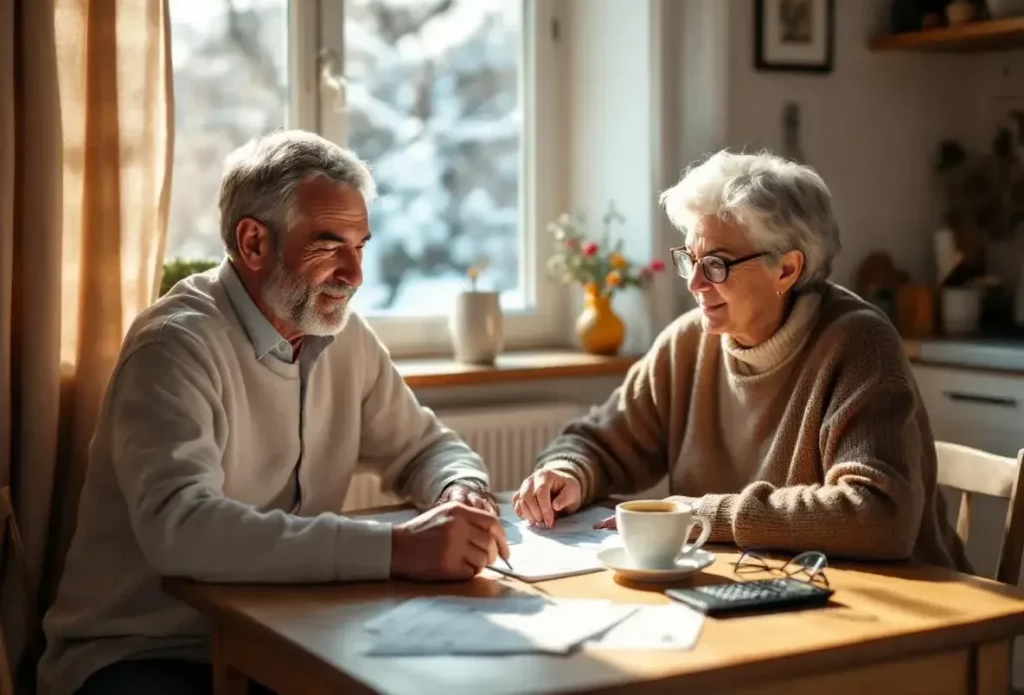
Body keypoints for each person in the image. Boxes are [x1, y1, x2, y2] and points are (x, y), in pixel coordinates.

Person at [39, 129, 509, 695]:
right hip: (145, 651)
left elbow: (427, 448)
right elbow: (182, 530)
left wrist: (462, 490)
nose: (355, 274)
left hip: (287, 636)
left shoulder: (344, 338)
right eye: (329, 244)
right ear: (253, 243)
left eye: (361, 246)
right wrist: (396, 549)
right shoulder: (174, 345)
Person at [513, 149, 969, 571]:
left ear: (786, 269)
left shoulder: (858, 344)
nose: (694, 283)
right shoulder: (687, 343)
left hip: (900, 611)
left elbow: (878, 516)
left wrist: (704, 515)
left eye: (716, 264)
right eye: (689, 259)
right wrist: (566, 471)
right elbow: (598, 440)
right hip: (764, 587)